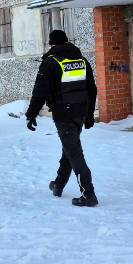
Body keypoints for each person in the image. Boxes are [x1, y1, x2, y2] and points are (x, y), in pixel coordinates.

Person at [25, 30, 99, 207]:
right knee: (69, 149)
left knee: (74, 152)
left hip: (63, 113)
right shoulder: (82, 61)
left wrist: (31, 115)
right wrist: (89, 115)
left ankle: (88, 194)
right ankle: (58, 184)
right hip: (80, 113)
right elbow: (92, 90)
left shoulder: (51, 62)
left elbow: (40, 92)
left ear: (51, 45)